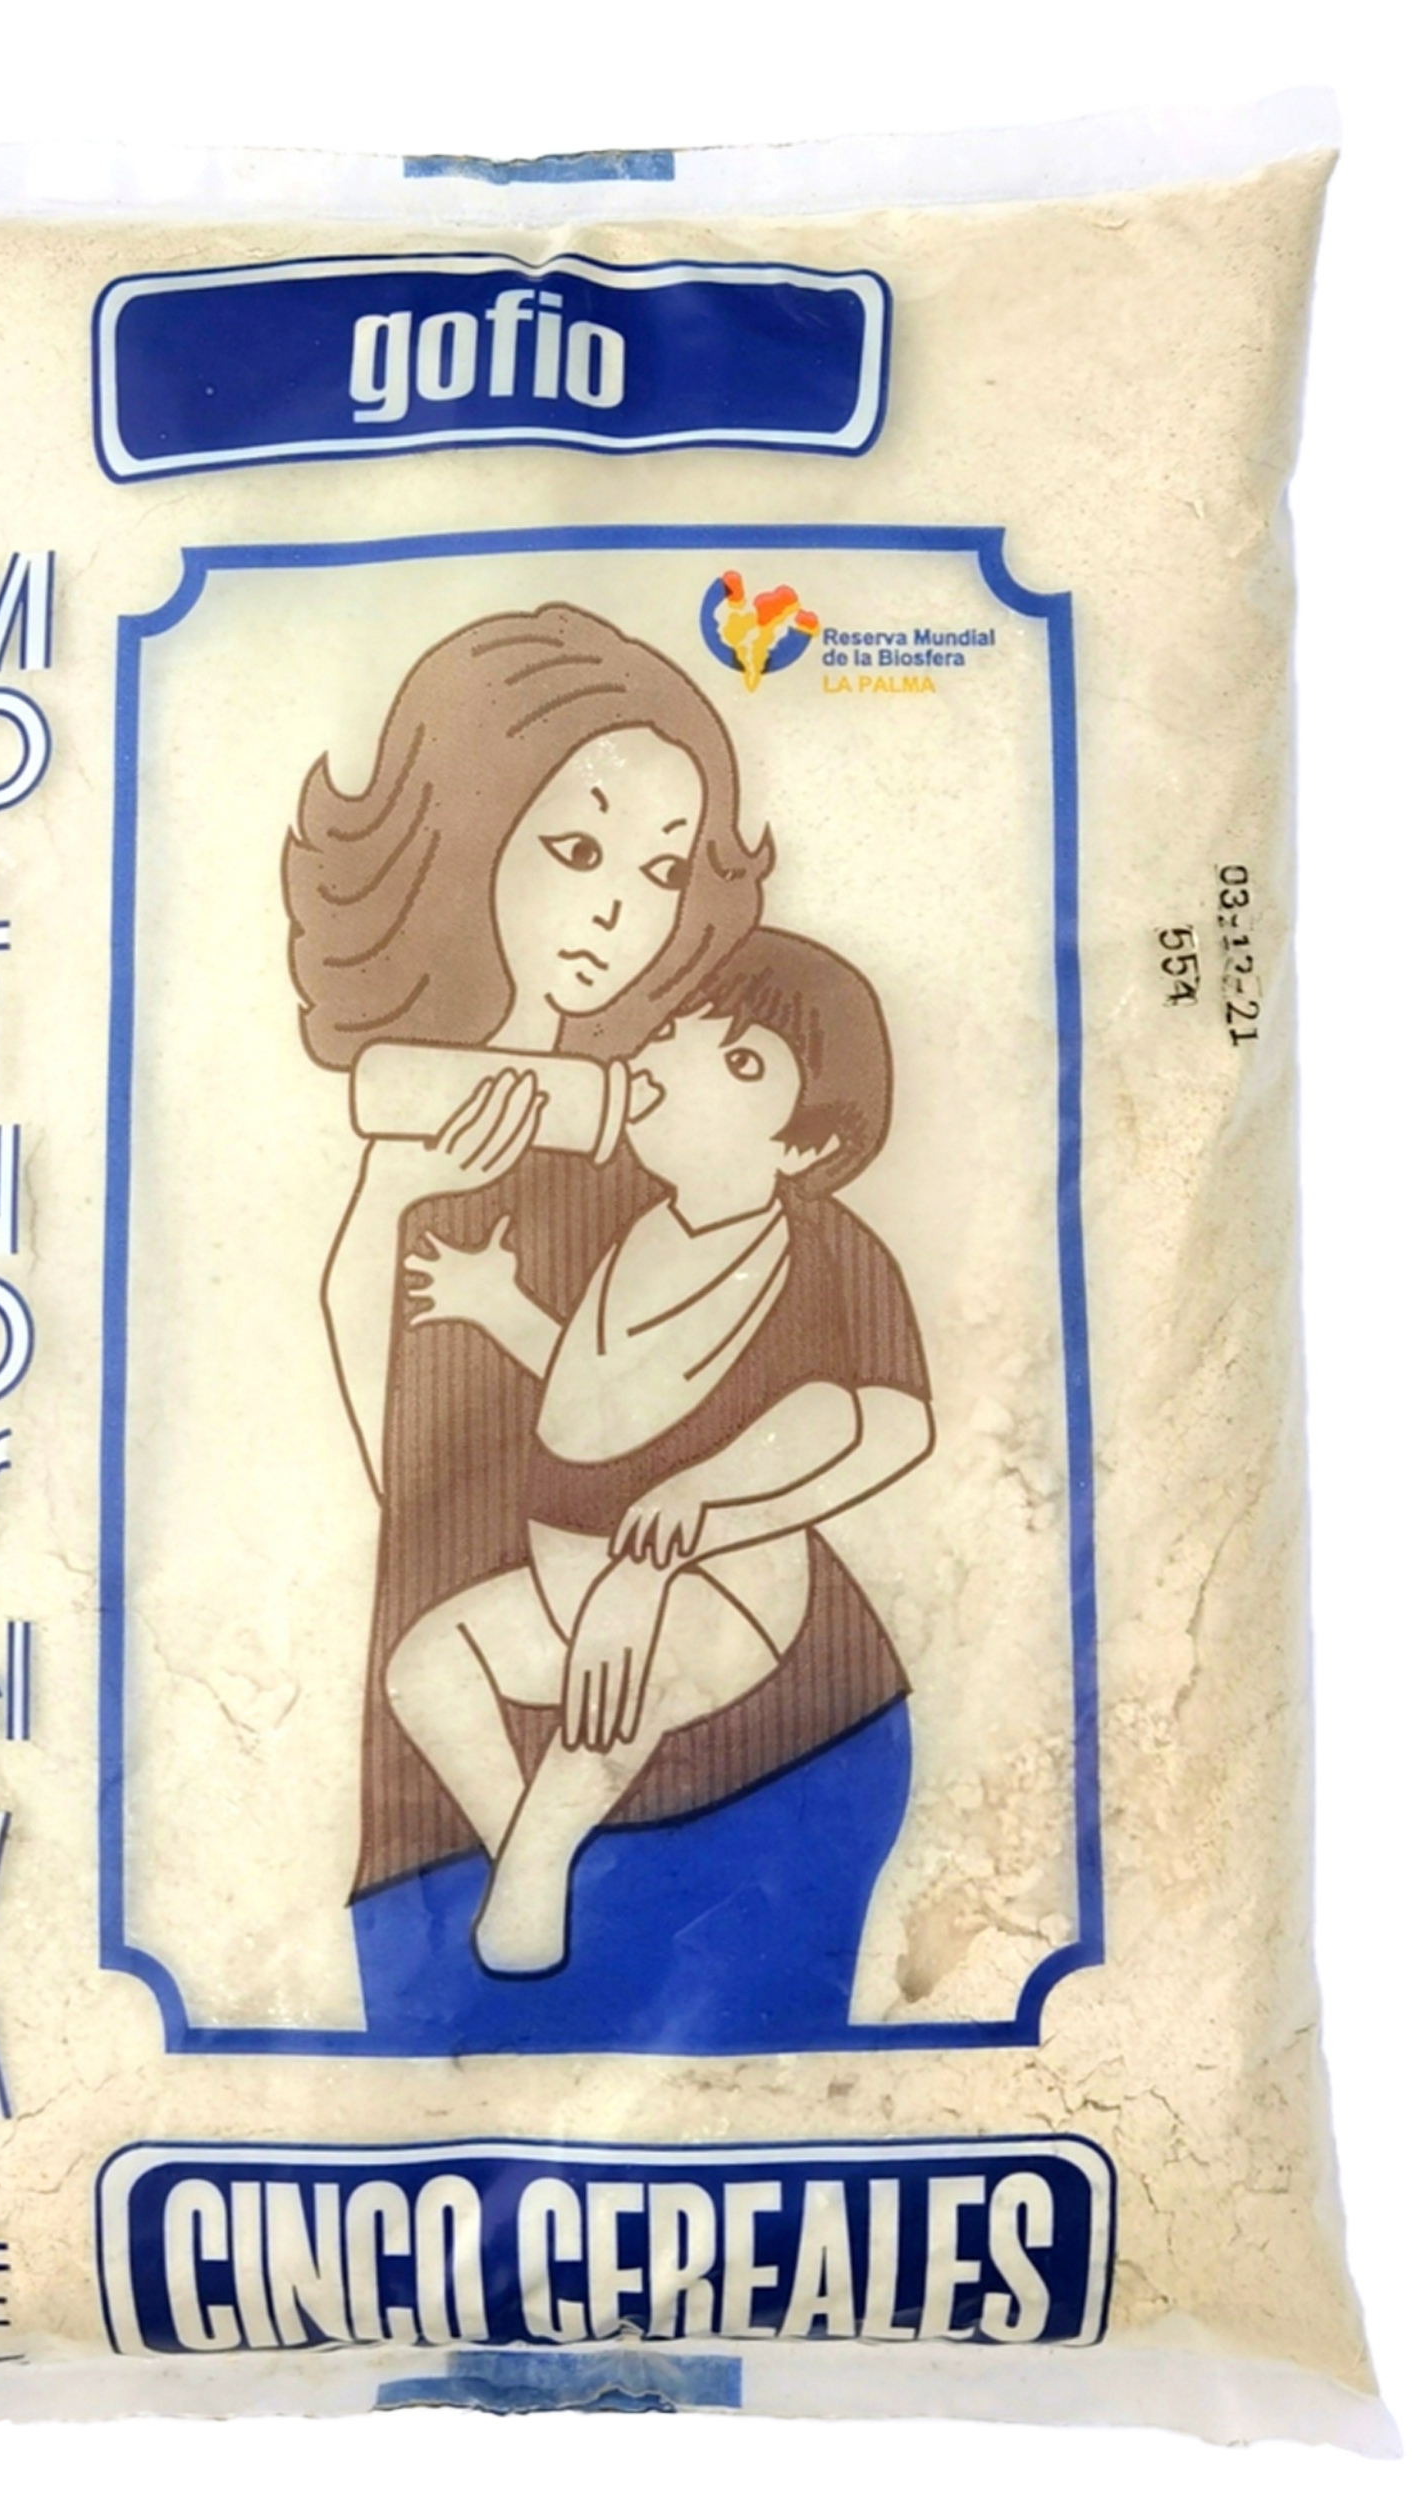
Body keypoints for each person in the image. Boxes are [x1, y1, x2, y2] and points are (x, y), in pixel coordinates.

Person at [284, 604, 779, 1895]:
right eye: (578, 850)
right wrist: (402, 1199)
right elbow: (375, 1396)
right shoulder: (434, 1112)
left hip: (692, 1635)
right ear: (460, 838)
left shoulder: (658, 1117)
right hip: (465, 1603)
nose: (619, 914)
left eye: (661, 873)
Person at [387, 932, 935, 1973]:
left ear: (806, 1147)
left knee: (625, 1685)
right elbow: (598, 1389)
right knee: (426, 1670)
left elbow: (885, 1423)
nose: (675, 1054)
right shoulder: (638, 1227)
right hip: (572, 1574)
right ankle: (533, 1862)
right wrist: (500, 1306)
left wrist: (695, 1527)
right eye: (682, 1026)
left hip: (715, 1593)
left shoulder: (823, 1247)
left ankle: (536, 1871)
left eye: (742, 1061)